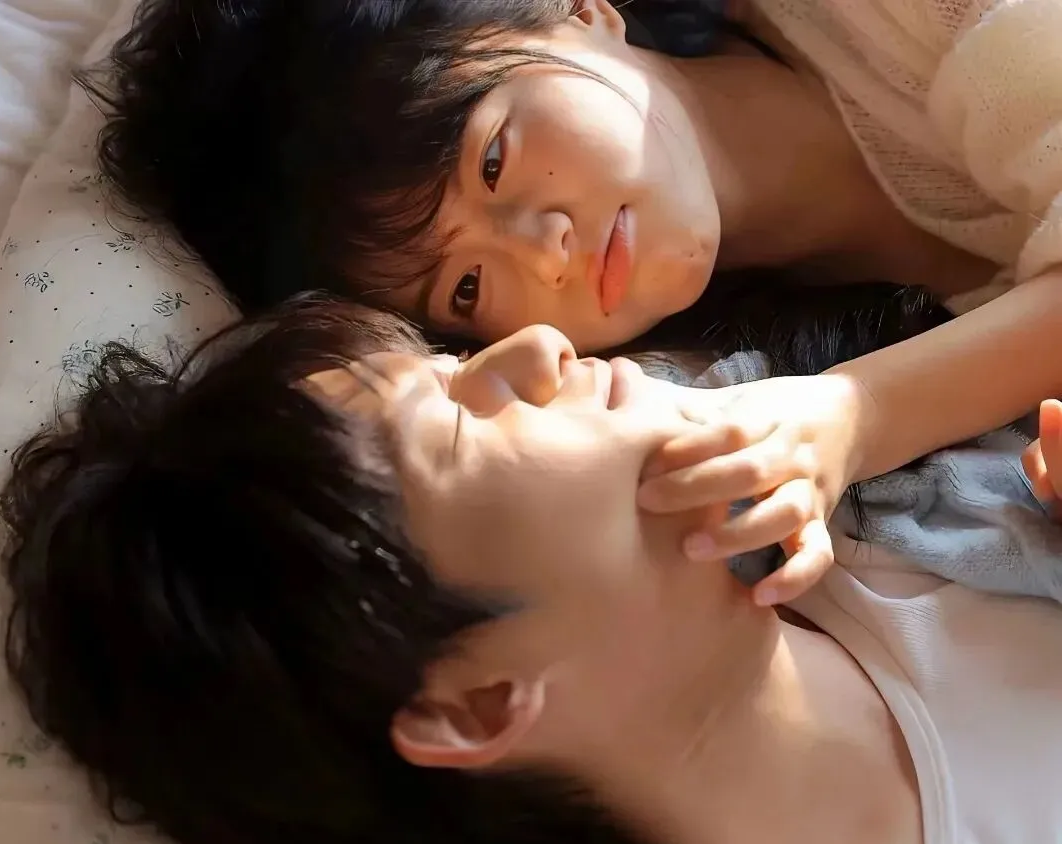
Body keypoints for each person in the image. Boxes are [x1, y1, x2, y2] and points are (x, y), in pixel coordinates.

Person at [0, 293, 1062, 844]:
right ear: (474, 704)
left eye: (448, 356)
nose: (539, 349)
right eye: (456, 425)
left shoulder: (919, 500)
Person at [80, 0, 1062, 606]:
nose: (538, 248)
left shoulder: (905, 20)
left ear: (577, 12)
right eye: (467, 287)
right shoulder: (740, 387)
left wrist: (860, 414)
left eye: (492, 158)